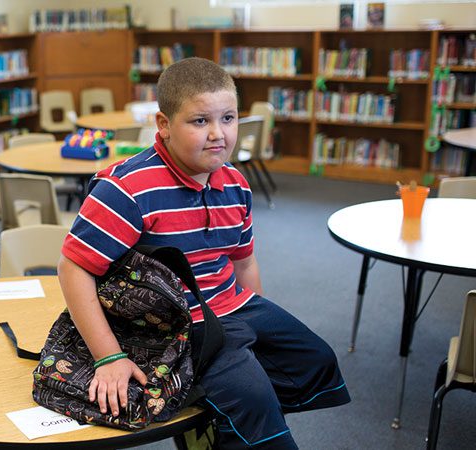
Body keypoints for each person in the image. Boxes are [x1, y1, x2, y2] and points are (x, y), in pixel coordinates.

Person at [57, 57, 350, 449]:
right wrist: (108, 357)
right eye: (200, 122)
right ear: (164, 125)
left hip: (231, 305)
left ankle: (215, 411)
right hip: (177, 321)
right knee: (253, 401)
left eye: (228, 118)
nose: (218, 134)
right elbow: (73, 268)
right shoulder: (127, 188)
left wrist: (256, 327)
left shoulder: (235, 184)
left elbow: (243, 262)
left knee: (317, 362)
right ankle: (227, 418)